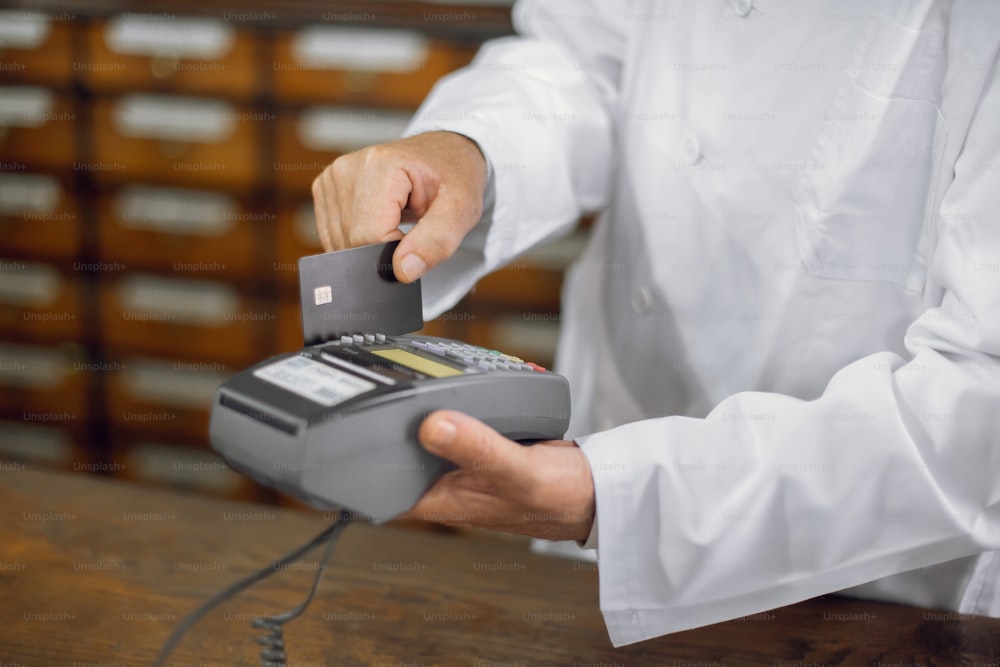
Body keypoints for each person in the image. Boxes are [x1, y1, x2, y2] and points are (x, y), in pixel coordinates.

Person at [311, 0, 1000, 646]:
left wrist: (619, 496)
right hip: (598, 526)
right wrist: (471, 147)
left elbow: (976, 407)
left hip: (884, 599)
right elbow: (583, 59)